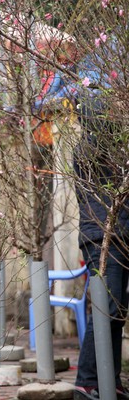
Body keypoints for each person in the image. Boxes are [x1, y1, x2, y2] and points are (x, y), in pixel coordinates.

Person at [67, 49, 129, 399]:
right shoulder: (94, 148)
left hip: (113, 235)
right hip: (105, 236)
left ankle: (109, 381)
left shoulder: (94, 144)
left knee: (115, 311)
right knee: (106, 311)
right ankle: (89, 382)